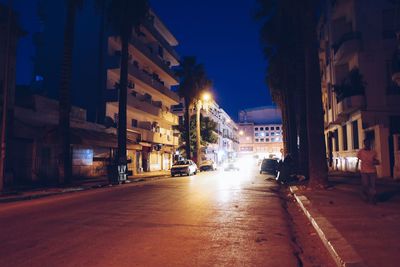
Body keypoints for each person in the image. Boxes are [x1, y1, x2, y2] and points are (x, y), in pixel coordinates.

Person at [356, 139, 379, 204]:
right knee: (365, 184)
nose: (367, 144)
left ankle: (372, 199)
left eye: (368, 143)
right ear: (364, 144)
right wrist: (356, 169)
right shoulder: (361, 152)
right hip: (364, 171)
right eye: (366, 143)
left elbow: (375, 160)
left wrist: (376, 162)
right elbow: (358, 160)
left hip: (372, 170)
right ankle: (364, 194)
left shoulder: (373, 152)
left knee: (373, 185)